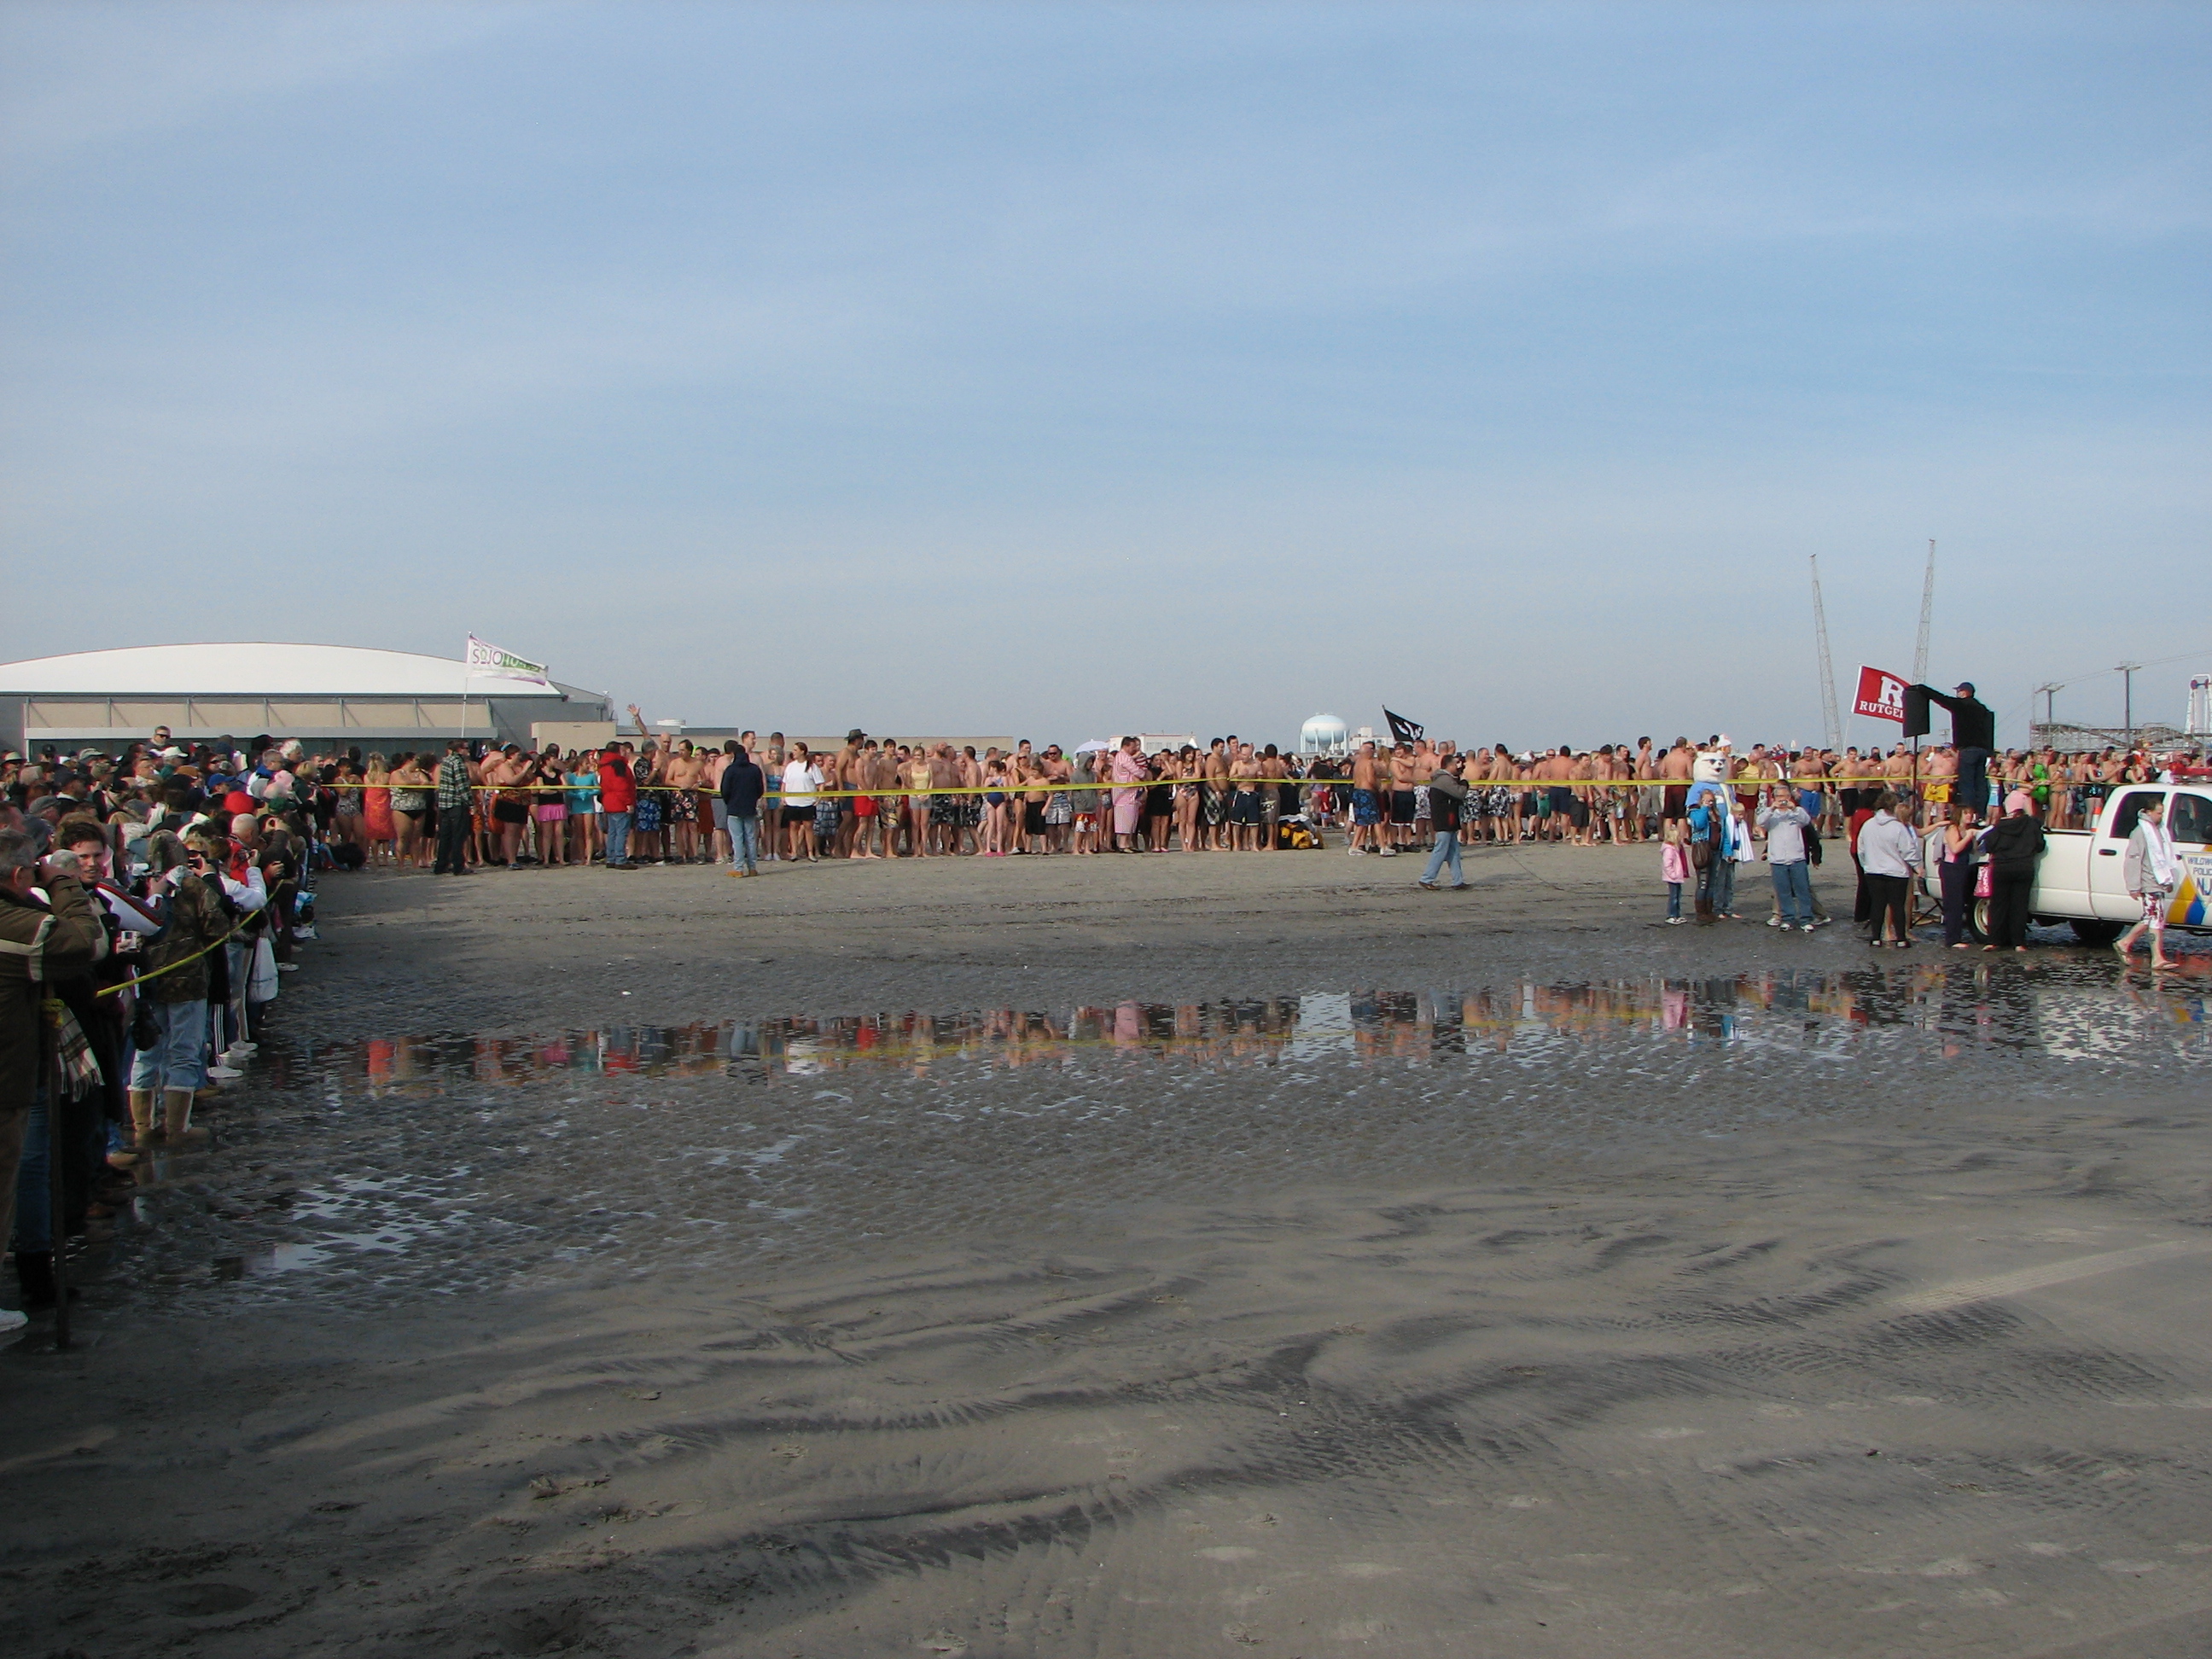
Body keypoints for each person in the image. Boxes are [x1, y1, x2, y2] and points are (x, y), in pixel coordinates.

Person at [2115, 795, 2180, 968]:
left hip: (2158, 881)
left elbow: (2164, 857)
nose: (2161, 817)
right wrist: (2134, 886)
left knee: (2155, 919)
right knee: (2152, 917)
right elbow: (2133, 860)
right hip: (2148, 881)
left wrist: (2168, 879)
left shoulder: (2160, 830)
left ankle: (2156, 957)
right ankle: (2126, 942)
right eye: (2158, 813)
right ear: (2148, 812)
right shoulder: (2140, 832)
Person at [1921, 681, 1995, 822]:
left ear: (1964, 692)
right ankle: (1981, 814)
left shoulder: (1962, 705)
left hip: (1968, 750)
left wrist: (1924, 690)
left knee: (1967, 783)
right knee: (1980, 782)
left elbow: (1941, 698)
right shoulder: (1982, 709)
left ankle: (1969, 813)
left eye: (1959, 691)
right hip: (1982, 750)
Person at [1856, 793, 1920, 948]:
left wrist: (1867, 865)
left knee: (1877, 905)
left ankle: (1876, 937)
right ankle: (1900, 938)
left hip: (1873, 871)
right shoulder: (1898, 827)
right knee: (1897, 905)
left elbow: (1861, 849)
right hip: (1896, 872)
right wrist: (1917, 866)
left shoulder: (1868, 824)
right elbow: (1908, 850)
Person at [1756, 785, 1814, 931]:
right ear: (1774, 798)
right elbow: (1760, 821)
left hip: (1797, 858)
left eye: (1785, 796)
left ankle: (1806, 919)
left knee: (1803, 890)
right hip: (1778, 859)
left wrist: (1793, 808)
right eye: (1779, 797)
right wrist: (1771, 808)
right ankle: (1787, 918)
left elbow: (1806, 820)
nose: (1782, 800)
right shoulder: (1771, 815)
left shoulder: (1797, 812)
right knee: (1783, 891)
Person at [1417, 757, 1470, 890]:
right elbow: (1460, 793)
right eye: (1455, 764)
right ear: (1449, 765)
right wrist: (1464, 782)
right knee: (1441, 849)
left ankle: (1458, 880)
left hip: (1447, 818)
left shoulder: (1444, 779)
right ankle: (1427, 878)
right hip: (1444, 819)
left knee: (1453, 850)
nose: (1458, 766)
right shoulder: (1445, 780)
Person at [1936, 806, 1982, 949]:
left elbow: (1973, 850)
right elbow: (1955, 848)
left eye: (1971, 813)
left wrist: (1975, 838)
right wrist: (1968, 836)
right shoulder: (1953, 829)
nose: (1969, 816)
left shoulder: (1966, 829)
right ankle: (1952, 938)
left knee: (1960, 902)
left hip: (1963, 867)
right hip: (1951, 868)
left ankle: (1956, 935)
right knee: (1953, 903)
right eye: (1966, 813)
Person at [719, 743, 765, 876]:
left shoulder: (731, 769)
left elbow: (725, 790)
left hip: (734, 808)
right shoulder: (754, 769)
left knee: (737, 839)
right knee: (751, 838)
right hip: (750, 808)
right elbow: (760, 789)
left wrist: (729, 801)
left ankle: (738, 868)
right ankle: (752, 867)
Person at [597, 747, 638, 869]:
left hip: (609, 802)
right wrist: (628, 803)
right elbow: (622, 786)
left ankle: (611, 858)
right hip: (620, 803)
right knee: (621, 832)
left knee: (612, 833)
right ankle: (620, 859)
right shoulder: (619, 765)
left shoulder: (604, 766)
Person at [1660, 819, 1691, 923]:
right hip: (1672, 877)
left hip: (1677, 876)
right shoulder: (1669, 849)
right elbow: (1667, 865)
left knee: (1678, 896)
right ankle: (1672, 915)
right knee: (1674, 897)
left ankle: (1677, 915)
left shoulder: (1675, 848)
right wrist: (1673, 875)